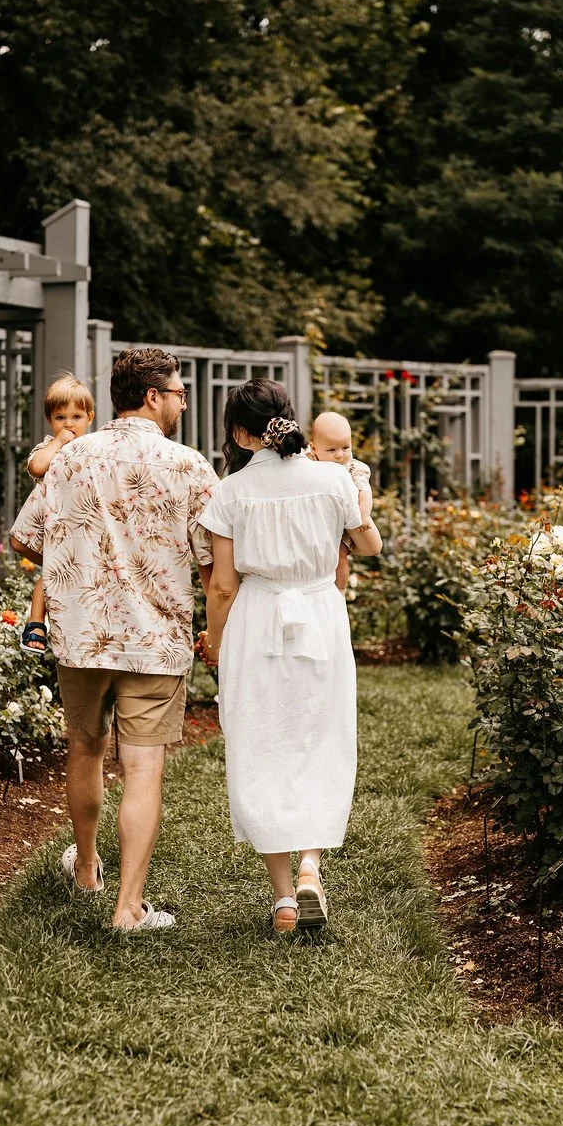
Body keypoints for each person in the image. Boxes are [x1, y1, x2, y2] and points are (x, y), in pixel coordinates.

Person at [10, 348, 217, 932]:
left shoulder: (71, 458)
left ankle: (86, 871)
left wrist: (78, 561)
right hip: (155, 641)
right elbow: (211, 559)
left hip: (81, 635)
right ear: (153, 396)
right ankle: (128, 909)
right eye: (177, 391)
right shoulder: (189, 466)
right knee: (143, 767)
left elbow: (27, 538)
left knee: (85, 750)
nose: (180, 400)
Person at [197, 380, 382, 933]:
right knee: (320, 736)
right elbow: (368, 546)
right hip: (320, 616)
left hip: (258, 621)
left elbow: (223, 586)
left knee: (262, 743)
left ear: (238, 432)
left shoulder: (231, 492)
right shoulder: (332, 480)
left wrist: (213, 639)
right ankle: (310, 866)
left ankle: (282, 898)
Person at [21, 373, 96, 655]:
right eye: (60, 417)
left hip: (85, 527)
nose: (68, 424)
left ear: (89, 417)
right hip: (57, 528)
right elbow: (37, 468)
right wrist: (58, 443)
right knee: (51, 572)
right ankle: (36, 623)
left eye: (76, 417)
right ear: (50, 421)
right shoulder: (47, 449)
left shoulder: (94, 449)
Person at [308, 411, 374, 593]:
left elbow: (364, 492)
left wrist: (364, 514)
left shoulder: (354, 468)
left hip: (342, 523)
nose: (340, 455)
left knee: (339, 555)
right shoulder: (308, 460)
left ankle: (339, 591)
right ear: (313, 449)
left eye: (345, 447)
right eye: (331, 450)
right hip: (314, 521)